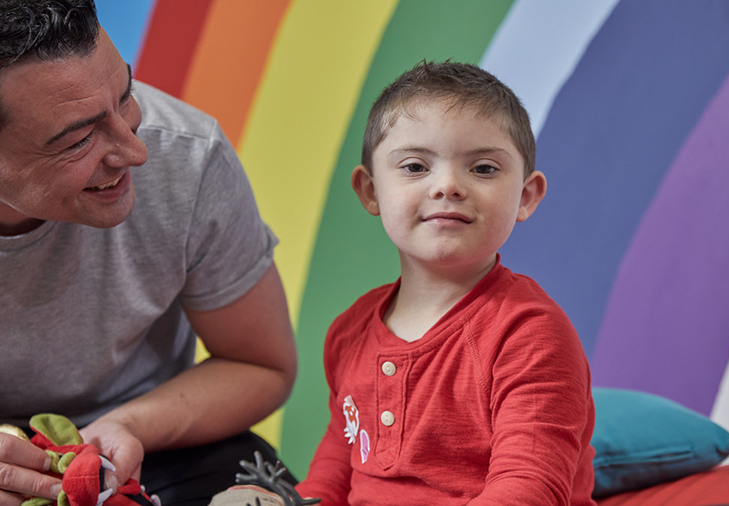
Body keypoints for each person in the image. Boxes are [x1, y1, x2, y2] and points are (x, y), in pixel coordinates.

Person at [0, 2, 298, 506]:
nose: (136, 152)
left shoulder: (188, 155)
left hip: (152, 439)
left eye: (126, 96)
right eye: (78, 139)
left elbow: (261, 365)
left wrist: (127, 425)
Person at [294, 61, 595, 505]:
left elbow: (528, 490)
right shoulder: (349, 332)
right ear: (371, 191)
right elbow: (338, 464)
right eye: (415, 166)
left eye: (485, 169)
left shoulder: (531, 334)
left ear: (525, 197)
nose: (449, 186)